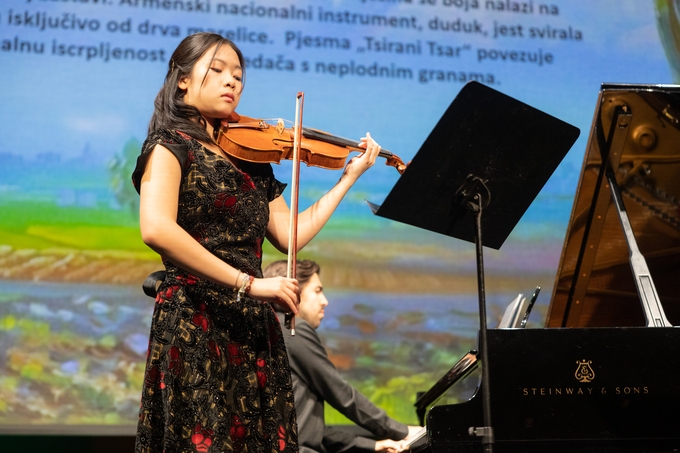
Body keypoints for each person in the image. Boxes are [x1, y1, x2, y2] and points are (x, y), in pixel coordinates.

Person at [131, 32, 382, 453]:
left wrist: (347, 179)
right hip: (196, 318)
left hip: (252, 325)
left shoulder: (251, 159)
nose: (232, 81)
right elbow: (157, 229)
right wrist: (248, 284)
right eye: (217, 70)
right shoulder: (169, 145)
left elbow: (289, 237)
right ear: (182, 80)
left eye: (238, 75)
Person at [264, 260, 421, 453]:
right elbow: (340, 392)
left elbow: (305, 426)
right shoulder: (292, 329)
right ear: (292, 292)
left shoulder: (272, 329)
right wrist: (402, 431)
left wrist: (372, 445)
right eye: (317, 291)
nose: (324, 301)